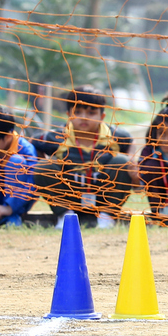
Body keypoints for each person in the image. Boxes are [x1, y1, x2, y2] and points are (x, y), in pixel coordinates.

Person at [31, 86, 135, 229]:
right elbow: (33, 142)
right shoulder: (58, 136)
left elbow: (131, 142)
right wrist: (40, 161)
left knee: (122, 162)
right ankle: (65, 216)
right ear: (68, 114)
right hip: (71, 195)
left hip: (102, 195)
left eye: (91, 113)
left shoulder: (115, 136)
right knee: (43, 166)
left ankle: (107, 217)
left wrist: (132, 163)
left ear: (102, 116)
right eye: (78, 112)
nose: (84, 117)